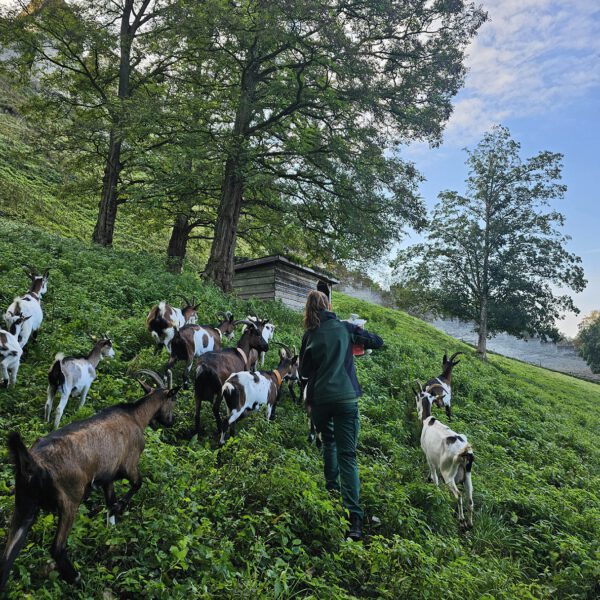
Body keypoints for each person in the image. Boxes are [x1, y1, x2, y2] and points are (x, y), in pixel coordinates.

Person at [299, 291, 383, 541]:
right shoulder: (346, 328)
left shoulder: (309, 335)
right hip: (346, 398)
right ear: (329, 306)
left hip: (321, 400)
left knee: (329, 442)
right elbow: (377, 341)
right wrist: (357, 343)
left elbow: (303, 371)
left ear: (308, 310)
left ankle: (331, 491)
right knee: (348, 455)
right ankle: (354, 519)